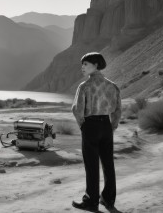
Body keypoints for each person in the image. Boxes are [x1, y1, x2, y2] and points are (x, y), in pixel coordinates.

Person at [71, 52, 121, 212]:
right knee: (108, 163)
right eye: (82, 64)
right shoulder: (112, 85)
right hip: (106, 125)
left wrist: (83, 126)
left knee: (91, 165)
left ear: (96, 65)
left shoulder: (84, 86)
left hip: (91, 126)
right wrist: (112, 126)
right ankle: (108, 199)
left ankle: (91, 201)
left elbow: (77, 110)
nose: (82, 67)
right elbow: (118, 110)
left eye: (86, 64)